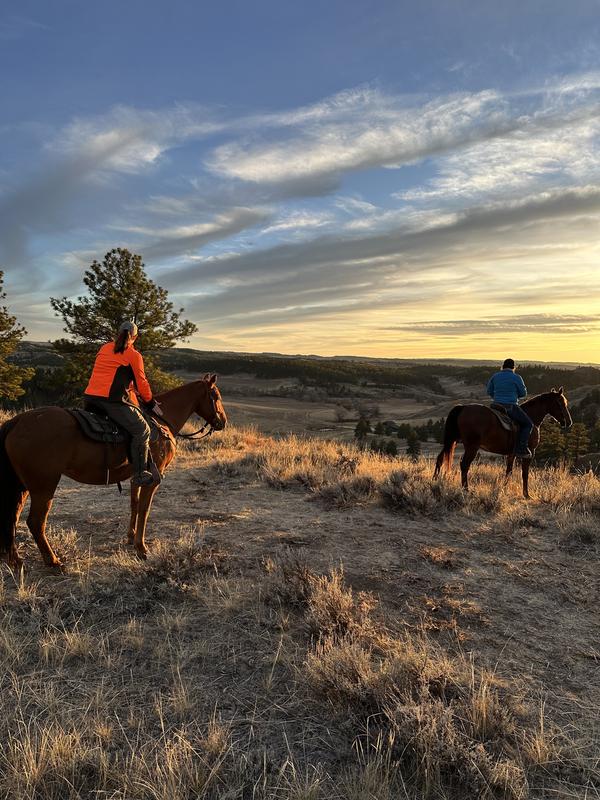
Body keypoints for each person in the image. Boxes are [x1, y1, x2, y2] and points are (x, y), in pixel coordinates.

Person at [84, 321, 162, 485]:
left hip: (90, 398)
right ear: (135, 337)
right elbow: (142, 382)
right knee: (143, 430)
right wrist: (150, 402)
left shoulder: (104, 348)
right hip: (112, 401)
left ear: (118, 333)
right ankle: (140, 474)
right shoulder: (133, 355)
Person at [486, 358, 533, 458]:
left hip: (496, 405)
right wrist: (514, 396)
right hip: (510, 406)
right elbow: (523, 393)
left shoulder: (495, 376)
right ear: (513, 367)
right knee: (528, 424)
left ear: (502, 366)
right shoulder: (517, 377)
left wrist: (497, 397)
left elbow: (489, 391)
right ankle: (522, 448)